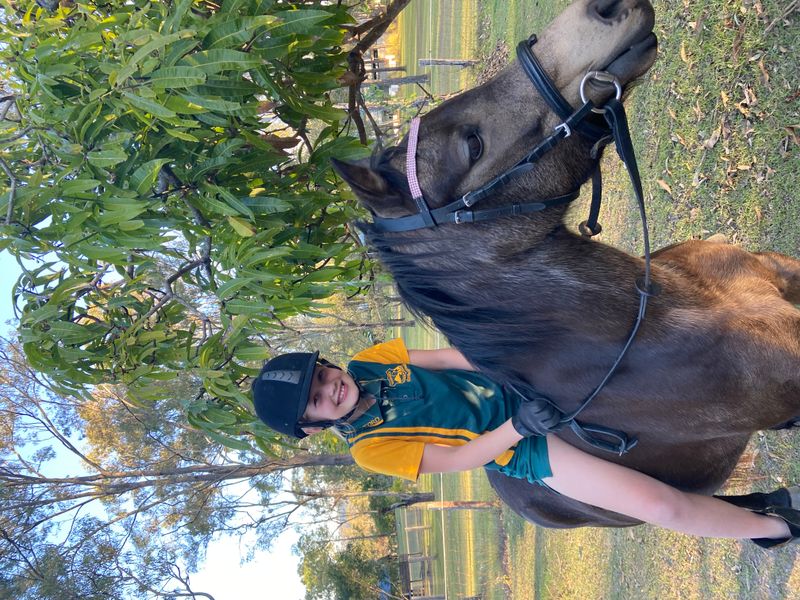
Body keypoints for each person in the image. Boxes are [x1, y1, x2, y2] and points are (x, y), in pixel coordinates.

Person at [251, 338, 799, 548]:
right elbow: (458, 458)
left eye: (321, 375)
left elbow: (450, 358)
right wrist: (520, 427)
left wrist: (516, 363)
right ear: (313, 426)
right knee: (658, 505)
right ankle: (776, 527)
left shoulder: (371, 360)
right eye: (317, 399)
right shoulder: (370, 449)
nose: (331, 387)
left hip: (517, 382)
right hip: (520, 443)